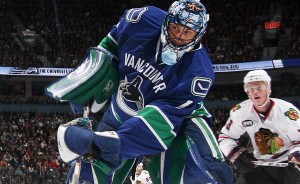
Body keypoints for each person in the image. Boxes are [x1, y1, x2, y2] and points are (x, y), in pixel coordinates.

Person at [46, 0, 233, 183]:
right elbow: (111, 44)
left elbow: (158, 123)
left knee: (199, 173)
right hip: (120, 113)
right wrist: (90, 76)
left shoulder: (198, 73)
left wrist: (106, 146)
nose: (178, 36)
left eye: (187, 32)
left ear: (198, 36)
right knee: (86, 178)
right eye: (175, 27)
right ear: (166, 21)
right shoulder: (141, 20)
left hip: (174, 125)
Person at [218, 69, 300, 184]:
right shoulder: (240, 112)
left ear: (268, 89)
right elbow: (226, 137)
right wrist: (235, 155)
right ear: (247, 92)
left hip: (288, 165)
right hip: (257, 166)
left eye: (259, 88)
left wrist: (297, 154)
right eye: (251, 89)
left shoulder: (288, 112)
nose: (255, 92)